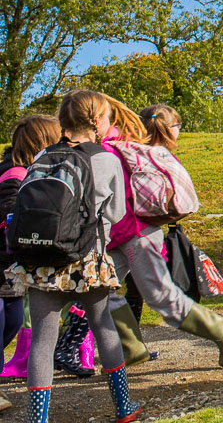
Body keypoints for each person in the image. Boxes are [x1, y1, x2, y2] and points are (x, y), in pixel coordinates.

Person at [6, 89, 141, 423]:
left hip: (42, 261)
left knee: (42, 338)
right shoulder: (108, 159)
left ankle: (37, 419)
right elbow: (117, 211)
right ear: (96, 121)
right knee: (102, 324)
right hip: (87, 260)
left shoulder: (42, 156)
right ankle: (123, 406)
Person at [96, 102, 223, 369]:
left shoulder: (111, 148)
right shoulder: (110, 146)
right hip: (118, 235)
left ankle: (222, 330)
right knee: (97, 290)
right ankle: (132, 348)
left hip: (137, 233)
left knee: (160, 296)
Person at [0, 116, 63, 405]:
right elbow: (10, 215)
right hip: (4, 262)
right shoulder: (13, 175)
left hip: (9, 267)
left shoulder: (26, 172)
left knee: (11, 320)